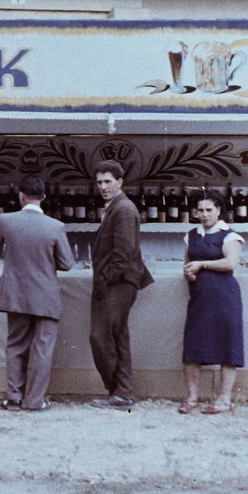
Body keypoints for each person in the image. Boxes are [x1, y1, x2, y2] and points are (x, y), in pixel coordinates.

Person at [0, 175, 73, 412]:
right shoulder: (56, 226)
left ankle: (13, 398)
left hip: (16, 294)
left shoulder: (6, 221)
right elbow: (66, 263)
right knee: (43, 349)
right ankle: (35, 401)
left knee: (16, 346)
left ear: (21, 196)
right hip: (46, 296)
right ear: (44, 197)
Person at [88, 162, 153, 411]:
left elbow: (123, 255)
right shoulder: (118, 207)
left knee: (100, 338)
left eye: (108, 181)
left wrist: (105, 279)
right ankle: (121, 393)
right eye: (99, 182)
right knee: (118, 338)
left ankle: (117, 391)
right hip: (119, 282)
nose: (103, 187)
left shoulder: (123, 209)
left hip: (117, 284)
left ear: (120, 182)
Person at [181, 192, 245, 415]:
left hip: (225, 297)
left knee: (227, 345)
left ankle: (224, 399)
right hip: (200, 297)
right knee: (193, 344)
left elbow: (230, 263)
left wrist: (201, 265)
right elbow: (188, 263)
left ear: (219, 210)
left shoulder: (229, 236)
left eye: (209, 210)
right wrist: (189, 272)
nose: (204, 214)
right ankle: (192, 397)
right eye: (200, 210)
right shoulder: (191, 235)